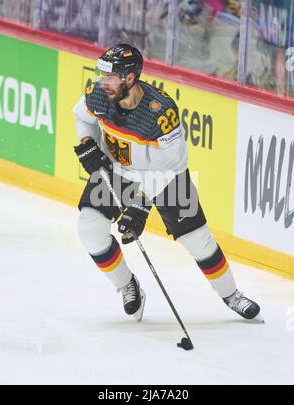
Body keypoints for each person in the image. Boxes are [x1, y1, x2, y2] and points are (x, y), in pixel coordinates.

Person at [73, 43, 261, 322]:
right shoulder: (100, 95)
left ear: (130, 78)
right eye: (103, 75)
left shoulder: (160, 113)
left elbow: (168, 169)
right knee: (89, 228)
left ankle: (231, 294)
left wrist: (140, 206)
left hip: (167, 178)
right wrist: (88, 143)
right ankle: (127, 285)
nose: (104, 82)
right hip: (117, 171)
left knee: (198, 240)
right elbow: (82, 117)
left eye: (110, 76)